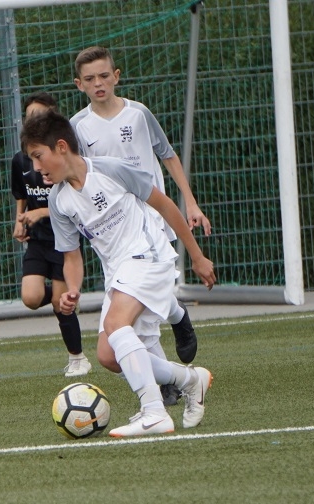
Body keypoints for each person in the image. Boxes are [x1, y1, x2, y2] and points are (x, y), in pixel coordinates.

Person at [20, 109, 215, 437]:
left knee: (115, 325)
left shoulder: (111, 169)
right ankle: (190, 380)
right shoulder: (59, 201)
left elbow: (165, 205)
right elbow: (71, 256)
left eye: (38, 156)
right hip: (119, 272)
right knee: (109, 356)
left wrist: (196, 256)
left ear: (62, 147)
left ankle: (154, 411)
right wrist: (72, 290)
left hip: (148, 255)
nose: (36, 167)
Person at [71, 45, 210, 404]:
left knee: (138, 308)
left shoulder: (139, 114)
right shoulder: (77, 127)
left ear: (116, 77)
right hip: (114, 226)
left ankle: (165, 385)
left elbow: (168, 155)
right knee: (135, 304)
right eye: (90, 79)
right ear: (79, 84)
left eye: (104, 76)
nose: (99, 83)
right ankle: (177, 317)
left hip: (152, 216)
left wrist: (190, 202)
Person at [11, 92, 91, 378]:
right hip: (38, 240)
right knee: (31, 297)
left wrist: (41, 213)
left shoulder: (62, 159)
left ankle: (78, 358)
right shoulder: (21, 161)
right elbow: (21, 194)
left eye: (40, 116)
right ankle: (63, 297)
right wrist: (20, 220)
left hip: (62, 240)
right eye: (29, 116)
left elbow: (69, 203)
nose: (33, 121)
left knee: (60, 304)